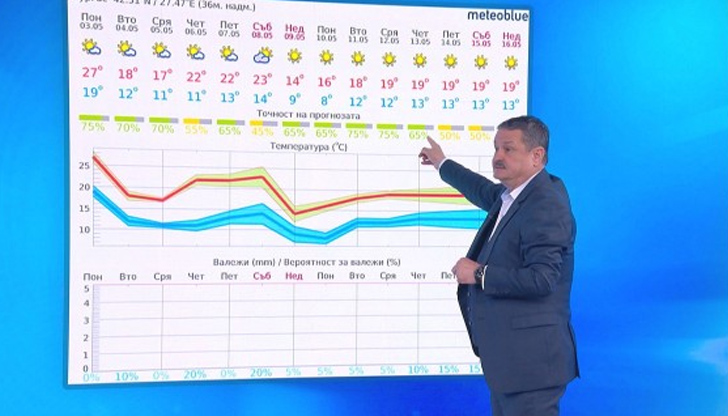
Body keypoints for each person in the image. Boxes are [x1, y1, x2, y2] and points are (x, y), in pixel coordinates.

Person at [419, 115, 579, 416]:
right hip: (513, 364)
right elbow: (480, 188)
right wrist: (442, 163)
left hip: (532, 367)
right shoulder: (514, 196)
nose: (497, 156)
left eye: (508, 149)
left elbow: (542, 279)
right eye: (496, 148)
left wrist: (479, 274)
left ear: (536, 156)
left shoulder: (546, 204)